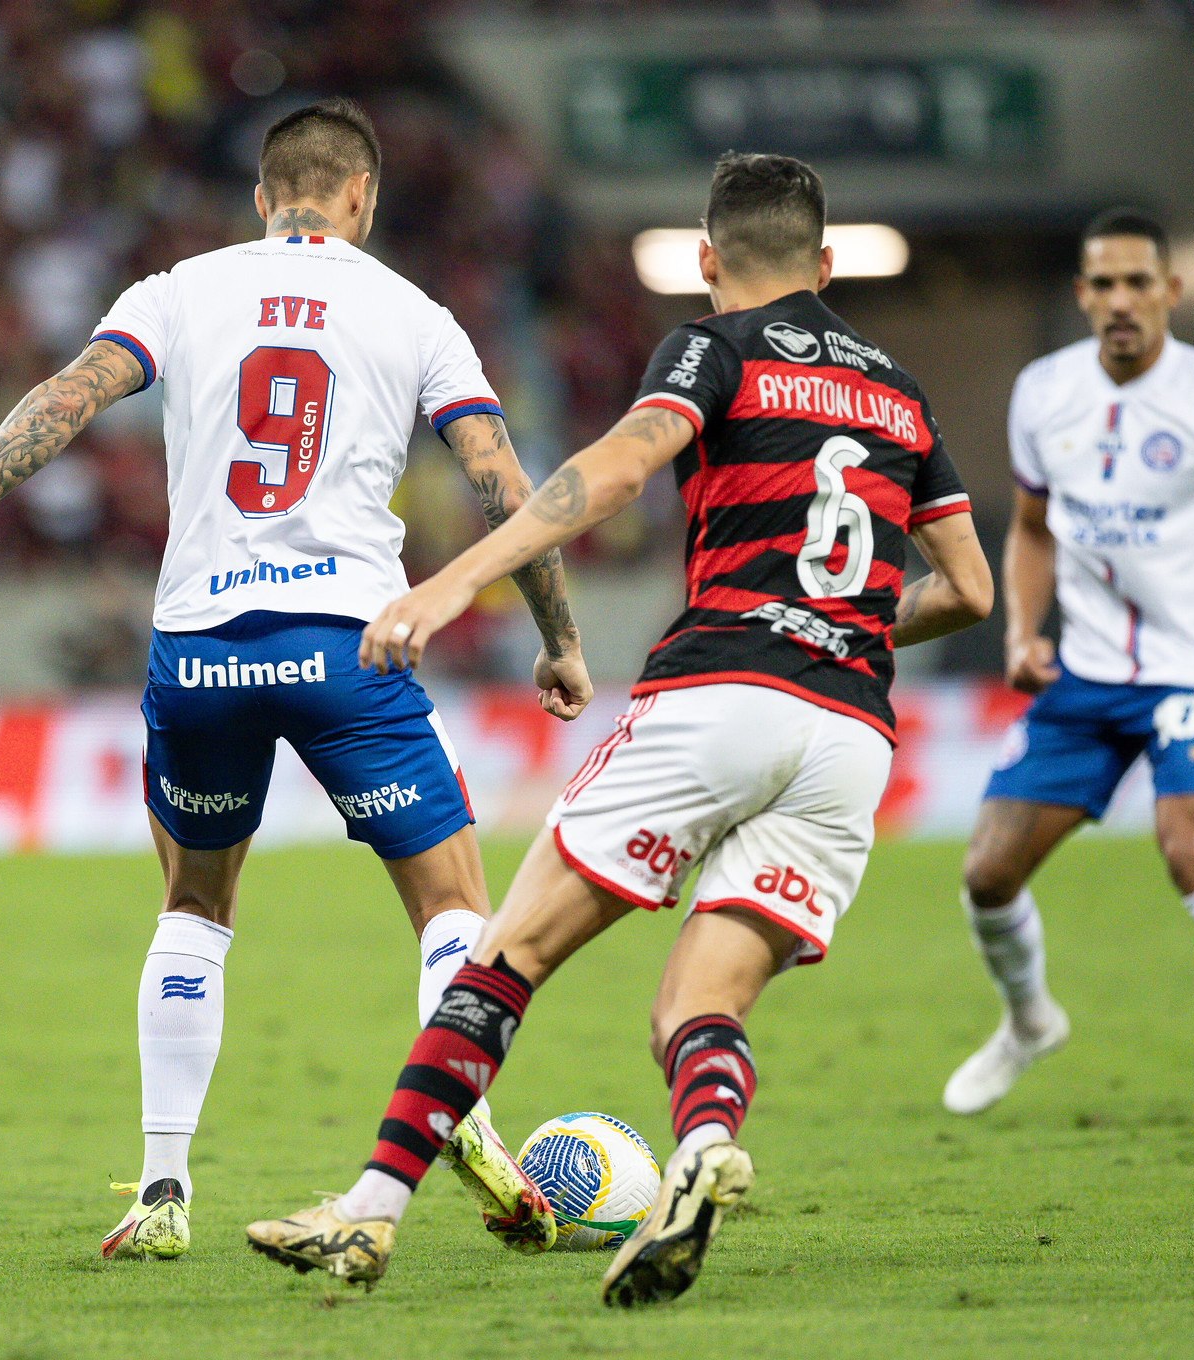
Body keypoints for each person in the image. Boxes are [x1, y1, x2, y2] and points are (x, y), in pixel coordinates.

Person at [246, 152, 994, 1305]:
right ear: (827, 263)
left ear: (705, 262)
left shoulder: (711, 348)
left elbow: (612, 470)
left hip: (719, 693)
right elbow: (969, 589)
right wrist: (838, 619)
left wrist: (452, 586)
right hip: (849, 729)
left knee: (506, 955)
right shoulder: (897, 391)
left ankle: (368, 1213)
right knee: (696, 1008)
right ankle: (698, 1148)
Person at [0, 98, 591, 1261]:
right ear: (361, 196)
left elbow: (65, 399)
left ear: (264, 197)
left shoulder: (177, 290)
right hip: (351, 645)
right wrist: (555, 633)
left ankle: (160, 1192)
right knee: (456, 906)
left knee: (194, 909)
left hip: (198, 650)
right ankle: (466, 1115)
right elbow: (505, 484)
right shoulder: (417, 315)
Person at [939, 209, 1194, 1131]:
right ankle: (1030, 1021)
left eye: (1137, 283)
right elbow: (1030, 529)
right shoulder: (1041, 393)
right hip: (1084, 677)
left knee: (1190, 846)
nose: (1119, 301)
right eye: (1102, 284)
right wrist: (1023, 631)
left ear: (1170, 292)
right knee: (987, 874)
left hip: (1192, 673)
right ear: (1081, 296)